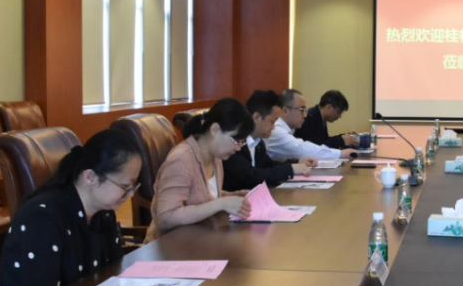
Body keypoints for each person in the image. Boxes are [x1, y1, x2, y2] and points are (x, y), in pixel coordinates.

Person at [0, 129, 142, 286]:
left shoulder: (103, 212)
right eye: (125, 186)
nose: (131, 194)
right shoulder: (42, 217)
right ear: (90, 177)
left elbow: (112, 274)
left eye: (133, 186)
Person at [147, 98, 253, 242]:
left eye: (242, 142)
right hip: (170, 246)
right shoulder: (181, 160)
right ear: (215, 130)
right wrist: (221, 203)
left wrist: (232, 196)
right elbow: (166, 217)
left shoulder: (215, 157)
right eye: (236, 140)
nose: (238, 148)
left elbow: (201, 196)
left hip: (200, 239)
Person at [223, 90, 317, 191]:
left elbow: (269, 165)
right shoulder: (236, 143)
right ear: (257, 117)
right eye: (272, 121)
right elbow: (252, 176)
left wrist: (297, 162)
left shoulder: (259, 142)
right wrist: (290, 169)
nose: (273, 127)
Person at [265, 88, 345, 162]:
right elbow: (301, 149)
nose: (305, 115)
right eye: (302, 110)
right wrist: (340, 154)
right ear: (286, 111)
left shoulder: (288, 129)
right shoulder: (276, 130)